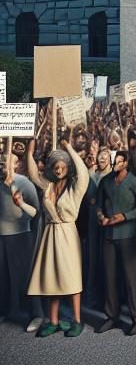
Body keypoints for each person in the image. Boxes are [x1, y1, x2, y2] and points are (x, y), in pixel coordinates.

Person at [24, 137, 90, 338]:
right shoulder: (49, 186)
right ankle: (53, 321)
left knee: (71, 278)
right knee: (52, 277)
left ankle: (77, 321)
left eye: (62, 165)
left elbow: (84, 172)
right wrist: (30, 152)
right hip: (50, 235)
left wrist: (68, 147)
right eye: (56, 166)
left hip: (68, 235)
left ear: (67, 167)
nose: (59, 168)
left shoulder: (76, 188)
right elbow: (34, 175)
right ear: (52, 168)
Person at [95, 149, 136, 335]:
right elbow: (98, 204)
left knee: (130, 277)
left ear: (125, 163)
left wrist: (125, 216)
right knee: (109, 276)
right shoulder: (106, 181)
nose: (114, 164)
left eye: (118, 161)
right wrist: (100, 216)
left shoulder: (135, 183)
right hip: (109, 236)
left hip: (129, 236)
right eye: (113, 161)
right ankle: (111, 316)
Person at [1, 148, 40, 330]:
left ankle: (37, 314)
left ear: (17, 165)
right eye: (2, 159)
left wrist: (13, 188)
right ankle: (4, 310)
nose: (3, 163)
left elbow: (35, 211)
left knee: (26, 277)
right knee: (2, 277)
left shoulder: (24, 183)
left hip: (20, 235)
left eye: (8, 160)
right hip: (1, 236)